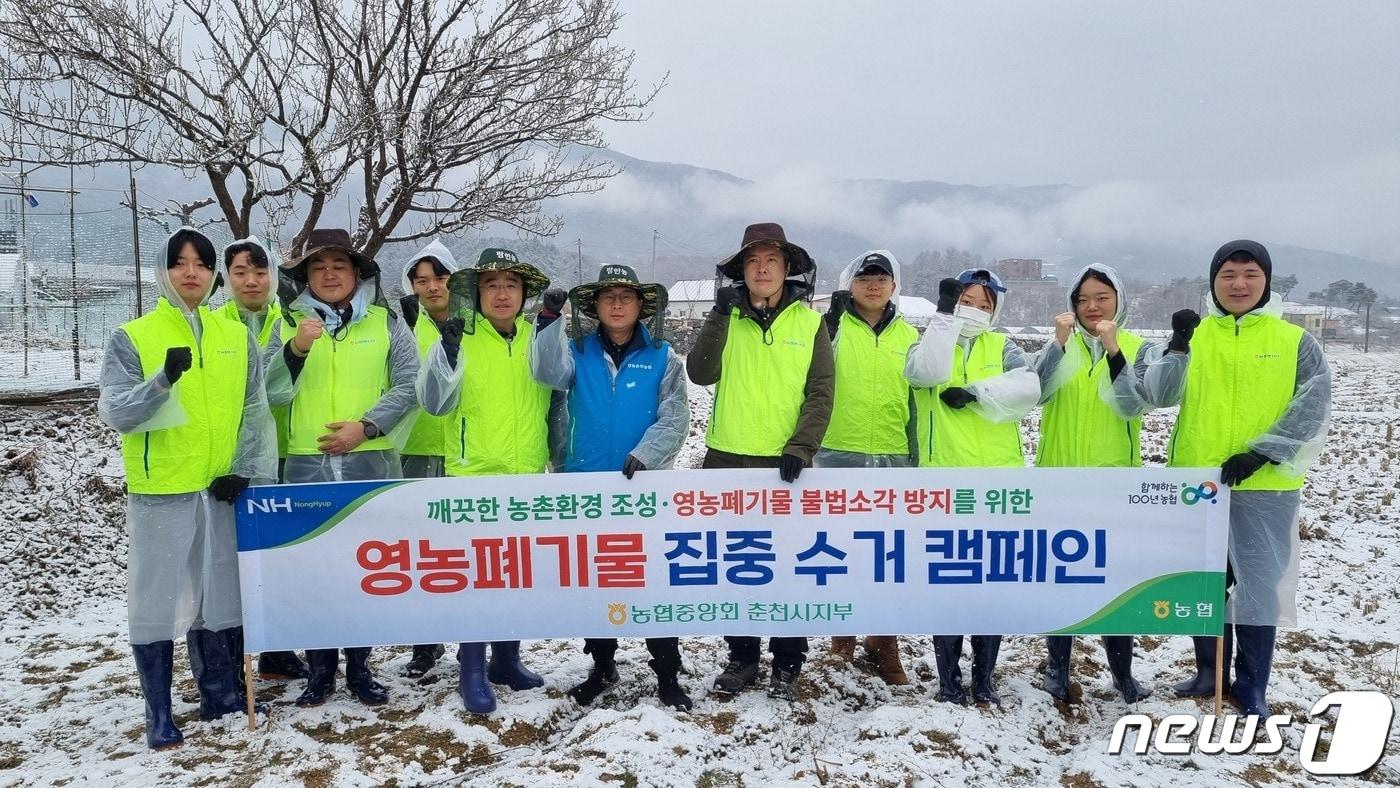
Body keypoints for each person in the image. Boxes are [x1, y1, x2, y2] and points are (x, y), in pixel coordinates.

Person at [98, 227, 277, 749]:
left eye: (201, 263)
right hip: (163, 488)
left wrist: (245, 466)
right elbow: (116, 412)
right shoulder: (133, 336)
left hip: (219, 489)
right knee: (154, 600)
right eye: (180, 263)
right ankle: (159, 711)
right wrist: (160, 381)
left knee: (218, 593)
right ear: (164, 270)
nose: (191, 272)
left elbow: (254, 410)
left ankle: (219, 693)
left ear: (213, 273)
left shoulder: (234, 336)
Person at [1141, 240, 1330, 717]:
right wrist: (1179, 344)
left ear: (1266, 280)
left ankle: (1251, 685)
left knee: (1258, 587)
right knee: (1204, 581)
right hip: (1197, 486)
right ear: (1213, 281)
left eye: (1250, 274)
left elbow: (1313, 404)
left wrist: (1263, 452)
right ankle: (1210, 672)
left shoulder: (1293, 341)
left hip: (1265, 487)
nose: (1239, 284)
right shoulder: (1197, 337)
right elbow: (1159, 395)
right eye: (1228, 275)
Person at [264, 228, 420, 708]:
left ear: (357, 273)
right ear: (306, 276)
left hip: (370, 461)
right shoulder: (285, 324)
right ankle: (319, 672)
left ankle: (359, 668)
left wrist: (367, 426)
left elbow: (410, 382)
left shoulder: (385, 322)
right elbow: (265, 390)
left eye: (339, 265)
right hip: (307, 465)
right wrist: (295, 350)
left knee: (364, 566)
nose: (329, 274)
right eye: (318, 267)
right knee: (315, 570)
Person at [530, 264, 694, 710]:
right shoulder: (575, 352)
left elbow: (677, 415)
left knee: (654, 580)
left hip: (644, 488)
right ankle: (602, 663)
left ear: (641, 305)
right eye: (608, 297)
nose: (617, 304)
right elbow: (547, 377)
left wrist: (648, 452)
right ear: (595, 307)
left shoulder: (663, 356)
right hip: (587, 484)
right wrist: (546, 323)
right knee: (599, 578)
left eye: (626, 296)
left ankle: (667, 671)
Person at [686, 222, 834, 702]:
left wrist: (801, 446)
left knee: (790, 563)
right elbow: (700, 372)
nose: (763, 268)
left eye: (772, 260)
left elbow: (821, 392)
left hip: (786, 466)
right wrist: (717, 315)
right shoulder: (728, 319)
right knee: (738, 564)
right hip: (727, 460)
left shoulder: (811, 323)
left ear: (787, 268)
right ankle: (743, 655)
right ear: (741, 272)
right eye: (753, 261)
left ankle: (788, 659)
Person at [416, 247, 552, 714]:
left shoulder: (538, 337)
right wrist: (447, 353)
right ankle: (471, 668)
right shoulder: (458, 337)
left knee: (515, 576)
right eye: (491, 285)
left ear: (523, 295)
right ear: (475, 293)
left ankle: (507, 659)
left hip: (526, 474)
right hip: (473, 478)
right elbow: (434, 403)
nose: (501, 294)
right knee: (478, 579)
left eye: (511, 285)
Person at [905, 268, 1041, 705]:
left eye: (985, 305)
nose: (976, 311)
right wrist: (944, 318)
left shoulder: (1005, 347)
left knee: (988, 585)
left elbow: (1028, 387)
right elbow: (925, 374)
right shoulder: (927, 343)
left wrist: (977, 392)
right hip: (943, 485)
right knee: (948, 582)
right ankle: (948, 681)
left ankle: (984, 678)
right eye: (967, 301)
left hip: (996, 486)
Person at [1031, 264, 1152, 704]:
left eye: (1101, 297)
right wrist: (1057, 346)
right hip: (1058, 482)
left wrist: (1114, 349)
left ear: (1119, 300)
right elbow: (1033, 393)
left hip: (1113, 485)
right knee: (1059, 581)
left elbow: (1135, 403)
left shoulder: (1139, 347)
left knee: (1115, 582)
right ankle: (1057, 670)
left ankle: (1122, 674)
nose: (1091, 306)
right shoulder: (1059, 348)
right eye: (1082, 300)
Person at [817, 250, 920, 685]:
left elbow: (920, 403)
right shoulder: (831, 328)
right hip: (838, 453)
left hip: (894, 457)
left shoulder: (911, 336)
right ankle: (843, 636)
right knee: (841, 548)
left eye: (881, 278)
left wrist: (918, 458)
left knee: (888, 554)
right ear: (850, 284)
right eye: (864, 278)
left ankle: (884, 639)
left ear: (894, 286)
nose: (873, 285)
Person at [215, 236, 309, 684]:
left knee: (276, 559)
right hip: (227, 461)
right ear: (226, 277)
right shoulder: (214, 327)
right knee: (232, 562)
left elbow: (277, 391)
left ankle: (276, 649)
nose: (251, 281)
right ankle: (233, 655)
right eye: (240, 272)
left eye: (260, 271)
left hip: (289, 452)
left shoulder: (290, 322)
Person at [395, 239, 461, 679]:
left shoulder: (474, 324)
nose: (432, 286)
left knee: (461, 552)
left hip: (462, 449)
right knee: (420, 550)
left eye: (439, 277)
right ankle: (425, 641)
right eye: (422, 280)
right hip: (415, 447)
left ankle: (473, 635)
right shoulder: (405, 323)